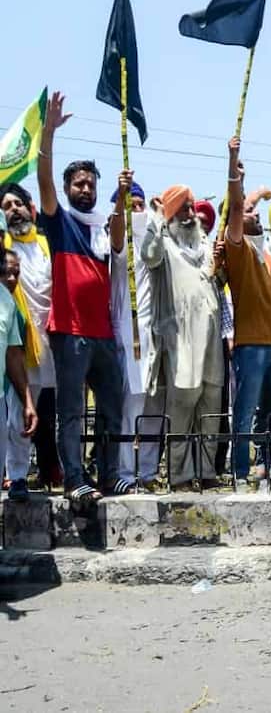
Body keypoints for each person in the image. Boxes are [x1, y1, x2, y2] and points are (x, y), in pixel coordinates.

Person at [35, 91, 126, 504]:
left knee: (111, 407)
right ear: (69, 189)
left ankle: (109, 475)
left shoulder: (103, 230)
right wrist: (49, 134)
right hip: (70, 332)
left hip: (103, 334)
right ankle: (74, 479)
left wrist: (122, 199)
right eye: (78, 183)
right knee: (71, 412)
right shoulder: (59, 223)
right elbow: (44, 181)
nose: (85, 188)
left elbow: (122, 242)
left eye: (91, 183)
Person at [224, 137, 271, 486]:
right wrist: (235, 167)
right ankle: (239, 471)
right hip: (251, 346)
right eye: (250, 213)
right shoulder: (236, 248)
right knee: (245, 413)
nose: (255, 215)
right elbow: (236, 210)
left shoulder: (264, 251)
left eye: (256, 213)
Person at [140, 185, 224, 489]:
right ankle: (179, 475)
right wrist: (158, 218)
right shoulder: (163, 243)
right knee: (183, 405)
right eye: (184, 209)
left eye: (192, 207)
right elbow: (148, 255)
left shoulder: (204, 245)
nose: (191, 214)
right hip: (181, 338)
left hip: (211, 338)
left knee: (211, 403)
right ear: (171, 214)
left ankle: (206, 470)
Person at [0, 182, 61, 488]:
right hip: (21, 344)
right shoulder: (4, 249)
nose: (14, 210)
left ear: (30, 207)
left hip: (53, 341)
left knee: (60, 415)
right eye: (7, 206)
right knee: (20, 416)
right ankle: (18, 476)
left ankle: (63, 471)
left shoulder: (46, 244)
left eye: (18, 203)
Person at [110, 181, 158, 491]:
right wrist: (121, 198)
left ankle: (148, 473)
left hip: (152, 336)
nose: (135, 209)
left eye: (139, 204)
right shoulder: (116, 240)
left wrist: (155, 211)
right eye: (130, 204)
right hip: (125, 336)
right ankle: (124, 474)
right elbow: (117, 237)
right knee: (129, 407)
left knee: (150, 409)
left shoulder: (149, 241)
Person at [0, 249, 39, 501]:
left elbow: (15, 354)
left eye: (16, 273)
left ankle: (18, 477)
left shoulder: (12, 306)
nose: (12, 278)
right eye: (5, 272)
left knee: (17, 428)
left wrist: (27, 401)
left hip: (8, 383)